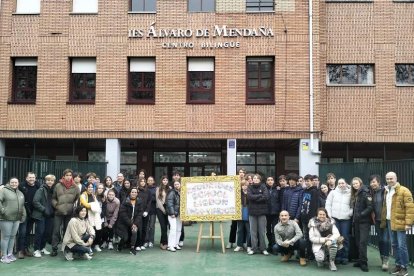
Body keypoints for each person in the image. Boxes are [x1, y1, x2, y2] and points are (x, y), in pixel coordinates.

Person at [381, 171, 414, 276]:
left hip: (401, 222)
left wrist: (408, 223)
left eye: (391, 178)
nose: (390, 180)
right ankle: (398, 265)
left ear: (396, 178)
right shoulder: (387, 190)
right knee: (394, 245)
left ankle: (404, 268)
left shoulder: (404, 190)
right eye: (388, 179)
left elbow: (410, 208)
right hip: (390, 221)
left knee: (402, 246)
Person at [51, 169, 80, 256]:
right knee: (56, 231)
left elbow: (76, 199)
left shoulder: (75, 187)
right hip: (58, 213)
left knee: (67, 231)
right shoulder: (58, 186)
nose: (68, 177)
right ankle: (54, 249)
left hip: (69, 213)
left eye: (70, 175)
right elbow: (53, 198)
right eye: (67, 175)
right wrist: (57, 206)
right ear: (64, 176)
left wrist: (70, 206)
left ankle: (66, 248)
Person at [325, 178, 352, 265]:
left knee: (345, 238)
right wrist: (329, 215)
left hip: (346, 219)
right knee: (336, 238)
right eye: (339, 183)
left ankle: (344, 257)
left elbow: (353, 205)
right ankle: (337, 256)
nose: (341, 185)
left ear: (345, 183)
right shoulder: (333, 192)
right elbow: (328, 204)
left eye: (342, 183)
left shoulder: (350, 193)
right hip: (335, 218)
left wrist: (349, 213)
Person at [0, 177, 26, 264]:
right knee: (6, 237)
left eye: (16, 182)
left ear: (18, 183)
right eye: (12, 182)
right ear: (9, 182)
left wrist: (23, 215)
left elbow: (22, 206)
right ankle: (4, 256)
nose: (14, 184)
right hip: (6, 218)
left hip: (16, 219)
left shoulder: (20, 193)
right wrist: (3, 211)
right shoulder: (4, 190)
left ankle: (10, 254)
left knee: (12, 236)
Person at [351, 177, 373, 272]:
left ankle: (364, 263)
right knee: (357, 241)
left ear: (360, 183)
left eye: (356, 183)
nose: (355, 185)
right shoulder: (356, 193)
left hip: (364, 222)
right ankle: (360, 260)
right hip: (357, 222)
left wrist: (361, 215)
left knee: (362, 242)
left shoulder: (365, 192)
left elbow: (370, 207)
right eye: (353, 184)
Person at [369, 174, 390, 271]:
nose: (372, 184)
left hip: (385, 220)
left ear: (378, 182)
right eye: (371, 182)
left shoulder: (385, 191)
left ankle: (385, 260)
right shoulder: (371, 193)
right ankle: (383, 259)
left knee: (385, 240)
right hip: (376, 220)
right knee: (380, 240)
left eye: (374, 182)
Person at [17, 171, 40, 258]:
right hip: (23, 212)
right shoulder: (21, 186)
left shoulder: (38, 186)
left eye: (33, 177)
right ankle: (20, 251)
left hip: (33, 213)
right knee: (22, 233)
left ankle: (26, 249)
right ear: (26, 178)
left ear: (35, 178)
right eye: (30, 177)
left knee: (28, 233)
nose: (31, 179)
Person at [32, 174, 56, 258]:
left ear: (54, 182)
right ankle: (36, 250)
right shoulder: (41, 190)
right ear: (45, 181)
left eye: (52, 180)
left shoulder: (53, 190)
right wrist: (44, 209)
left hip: (50, 215)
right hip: (41, 215)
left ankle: (42, 248)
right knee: (40, 232)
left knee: (47, 233)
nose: (50, 182)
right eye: (48, 180)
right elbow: (35, 202)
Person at [247, 174, 269, 255]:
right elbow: (249, 197)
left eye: (257, 178)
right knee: (253, 232)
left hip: (262, 213)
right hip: (252, 213)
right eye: (254, 178)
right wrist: (260, 195)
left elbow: (266, 197)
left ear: (260, 179)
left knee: (262, 232)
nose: (255, 179)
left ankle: (263, 248)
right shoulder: (249, 187)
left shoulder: (263, 187)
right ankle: (254, 248)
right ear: (252, 180)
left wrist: (254, 197)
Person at [117, 187, 143, 255]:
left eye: (135, 192)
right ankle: (120, 245)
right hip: (124, 223)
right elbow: (123, 214)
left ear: (137, 194)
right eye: (132, 192)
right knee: (125, 238)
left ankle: (132, 248)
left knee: (134, 231)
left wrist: (135, 223)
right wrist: (131, 224)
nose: (134, 193)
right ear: (130, 193)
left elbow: (140, 214)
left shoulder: (139, 201)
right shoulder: (125, 201)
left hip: (134, 222)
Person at [300, 174, 320, 261]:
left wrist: (311, 219)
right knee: (306, 236)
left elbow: (314, 206)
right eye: (306, 181)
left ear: (312, 181)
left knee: (311, 237)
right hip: (303, 217)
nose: (307, 183)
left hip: (310, 219)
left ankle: (311, 254)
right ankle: (307, 253)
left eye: (308, 181)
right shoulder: (304, 191)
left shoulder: (314, 191)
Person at [80, 182, 102, 252]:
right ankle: (88, 246)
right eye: (89, 187)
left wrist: (95, 207)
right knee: (89, 231)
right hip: (86, 216)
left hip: (94, 216)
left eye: (92, 187)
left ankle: (95, 245)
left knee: (97, 230)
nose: (90, 188)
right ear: (86, 188)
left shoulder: (93, 195)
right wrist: (93, 206)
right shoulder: (83, 195)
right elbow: (85, 204)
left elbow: (98, 205)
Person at [227, 168, 246, 249]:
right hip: (235, 206)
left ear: (245, 173)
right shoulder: (234, 182)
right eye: (240, 172)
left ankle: (243, 242)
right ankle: (231, 242)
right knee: (234, 225)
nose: (241, 173)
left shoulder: (247, 183)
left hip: (244, 206)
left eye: (243, 172)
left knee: (244, 225)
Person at [234, 180, 251, 253]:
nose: (244, 186)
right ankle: (239, 245)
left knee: (249, 231)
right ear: (241, 186)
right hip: (240, 212)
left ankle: (249, 246)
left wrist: (247, 194)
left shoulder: (250, 193)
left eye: (246, 185)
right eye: (243, 185)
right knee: (240, 230)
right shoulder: (238, 193)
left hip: (248, 212)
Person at [265, 176, 281, 253]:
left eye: (271, 180)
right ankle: (270, 245)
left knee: (275, 230)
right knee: (268, 230)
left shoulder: (278, 190)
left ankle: (274, 245)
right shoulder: (264, 189)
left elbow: (280, 201)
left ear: (274, 181)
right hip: (266, 213)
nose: (270, 181)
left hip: (275, 213)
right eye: (268, 180)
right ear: (266, 181)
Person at [166, 180, 182, 252]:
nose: (176, 185)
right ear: (173, 185)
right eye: (175, 184)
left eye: (178, 184)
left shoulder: (180, 193)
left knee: (178, 230)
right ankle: (170, 245)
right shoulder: (172, 192)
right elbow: (169, 203)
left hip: (179, 214)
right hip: (172, 214)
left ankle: (176, 244)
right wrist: (172, 213)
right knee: (173, 229)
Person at [156, 176, 170, 250]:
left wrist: (167, 210)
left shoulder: (169, 188)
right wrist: (164, 210)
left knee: (166, 227)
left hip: (168, 208)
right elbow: (158, 201)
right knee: (163, 226)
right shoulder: (158, 189)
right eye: (164, 180)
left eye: (166, 180)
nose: (165, 181)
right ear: (161, 181)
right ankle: (165, 243)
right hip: (160, 209)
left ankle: (162, 241)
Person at [137, 178, 151, 250]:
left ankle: (142, 243)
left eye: (144, 181)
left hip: (145, 213)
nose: (142, 183)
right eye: (141, 181)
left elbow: (149, 202)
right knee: (139, 228)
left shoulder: (148, 191)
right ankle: (137, 244)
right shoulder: (137, 190)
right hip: (138, 212)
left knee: (144, 228)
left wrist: (146, 211)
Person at [146, 176, 157, 248]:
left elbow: (156, 198)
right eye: (149, 180)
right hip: (145, 210)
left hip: (153, 210)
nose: (150, 181)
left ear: (153, 181)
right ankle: (146, 240)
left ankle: (151, 241)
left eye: (151, 180)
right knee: (146, 226)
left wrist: (149, 198)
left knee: (152, 226)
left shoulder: (156, 189)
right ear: (147, 181)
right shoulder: (145, 188)